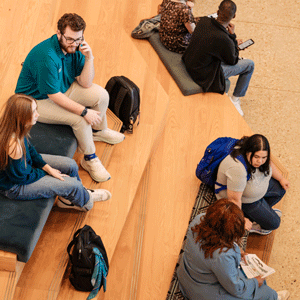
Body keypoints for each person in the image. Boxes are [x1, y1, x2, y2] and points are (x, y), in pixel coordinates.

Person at [15, 13, 125, 182]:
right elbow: (54, 96)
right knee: (80, 119)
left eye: (79, 39)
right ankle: (89, 159)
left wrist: (89, 58)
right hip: (36, 100)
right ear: (59, 33)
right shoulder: (47, 56)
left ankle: (98, 131)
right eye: (70, 39)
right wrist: (84, 112)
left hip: (60, 88)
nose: (74, 44)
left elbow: (85, 82)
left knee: (102, 95)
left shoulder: (74, 47)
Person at [0, 94, 111, 211]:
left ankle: (70, 198)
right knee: (73, 185)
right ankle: (86, 202)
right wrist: (46, 173)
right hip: (15, 186)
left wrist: (48, 168)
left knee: (70, 165)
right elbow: (21, 178)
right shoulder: (13, 145)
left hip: (23, 168)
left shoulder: (13, 126)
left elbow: (31, 150)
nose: (37, 114)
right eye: (33, 112)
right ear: (21, 117)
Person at [177, 199, 290, 300]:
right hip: (203, 292)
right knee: (264, 292)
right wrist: (256, 282)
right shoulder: (222, 255)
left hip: (188, 276)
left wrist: (237, 251)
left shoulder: (198, 219)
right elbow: (236, 288)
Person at [182, 0, 255, 116]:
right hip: (203, 74)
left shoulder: (203, 21)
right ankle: (235, 99)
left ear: (217, 11)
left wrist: (231, 44)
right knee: (249, 64)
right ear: (234, 16)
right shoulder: (224, 39)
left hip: (190, 61)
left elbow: (213, 43)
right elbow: (232, 60)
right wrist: (232, 37)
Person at [216, 134, 290, 234]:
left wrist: (281, 178)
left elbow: (269, 163)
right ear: (248, 152)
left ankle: (259, 214)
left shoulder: (252, 150)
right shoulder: (237, 169)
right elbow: (234, 199)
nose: (260, 161)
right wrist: (241, 219)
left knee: (280, 189)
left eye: (264, 157)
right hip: (244, 199)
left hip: (253, 191)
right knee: (274, 223)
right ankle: (252, 220)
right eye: (256, 157)